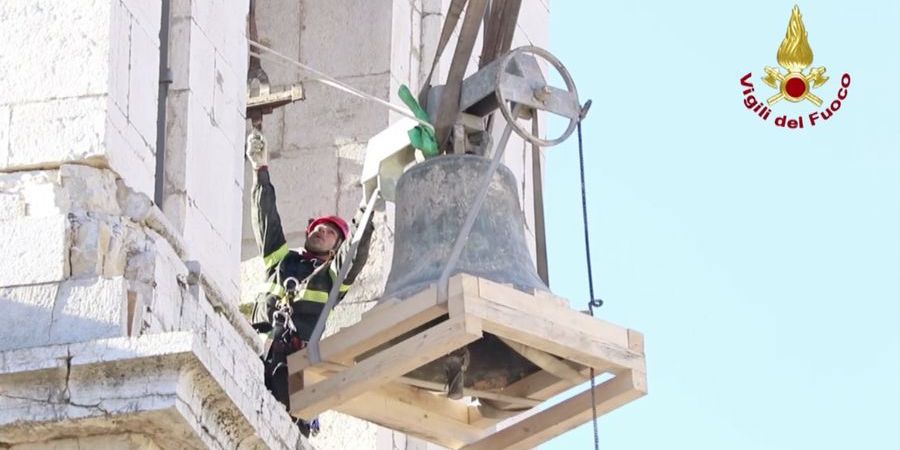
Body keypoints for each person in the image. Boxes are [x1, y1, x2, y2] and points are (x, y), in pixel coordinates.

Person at [245, 129, 375, 437]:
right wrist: (259, 171)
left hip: (293, 359)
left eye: (330, 232)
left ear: (334, 248)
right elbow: (267, 221)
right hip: (260, 344)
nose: (321, 232)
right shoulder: (282, 260)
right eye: (317, 228)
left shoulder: (330, 278)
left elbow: (354, 255)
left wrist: (368, 207)